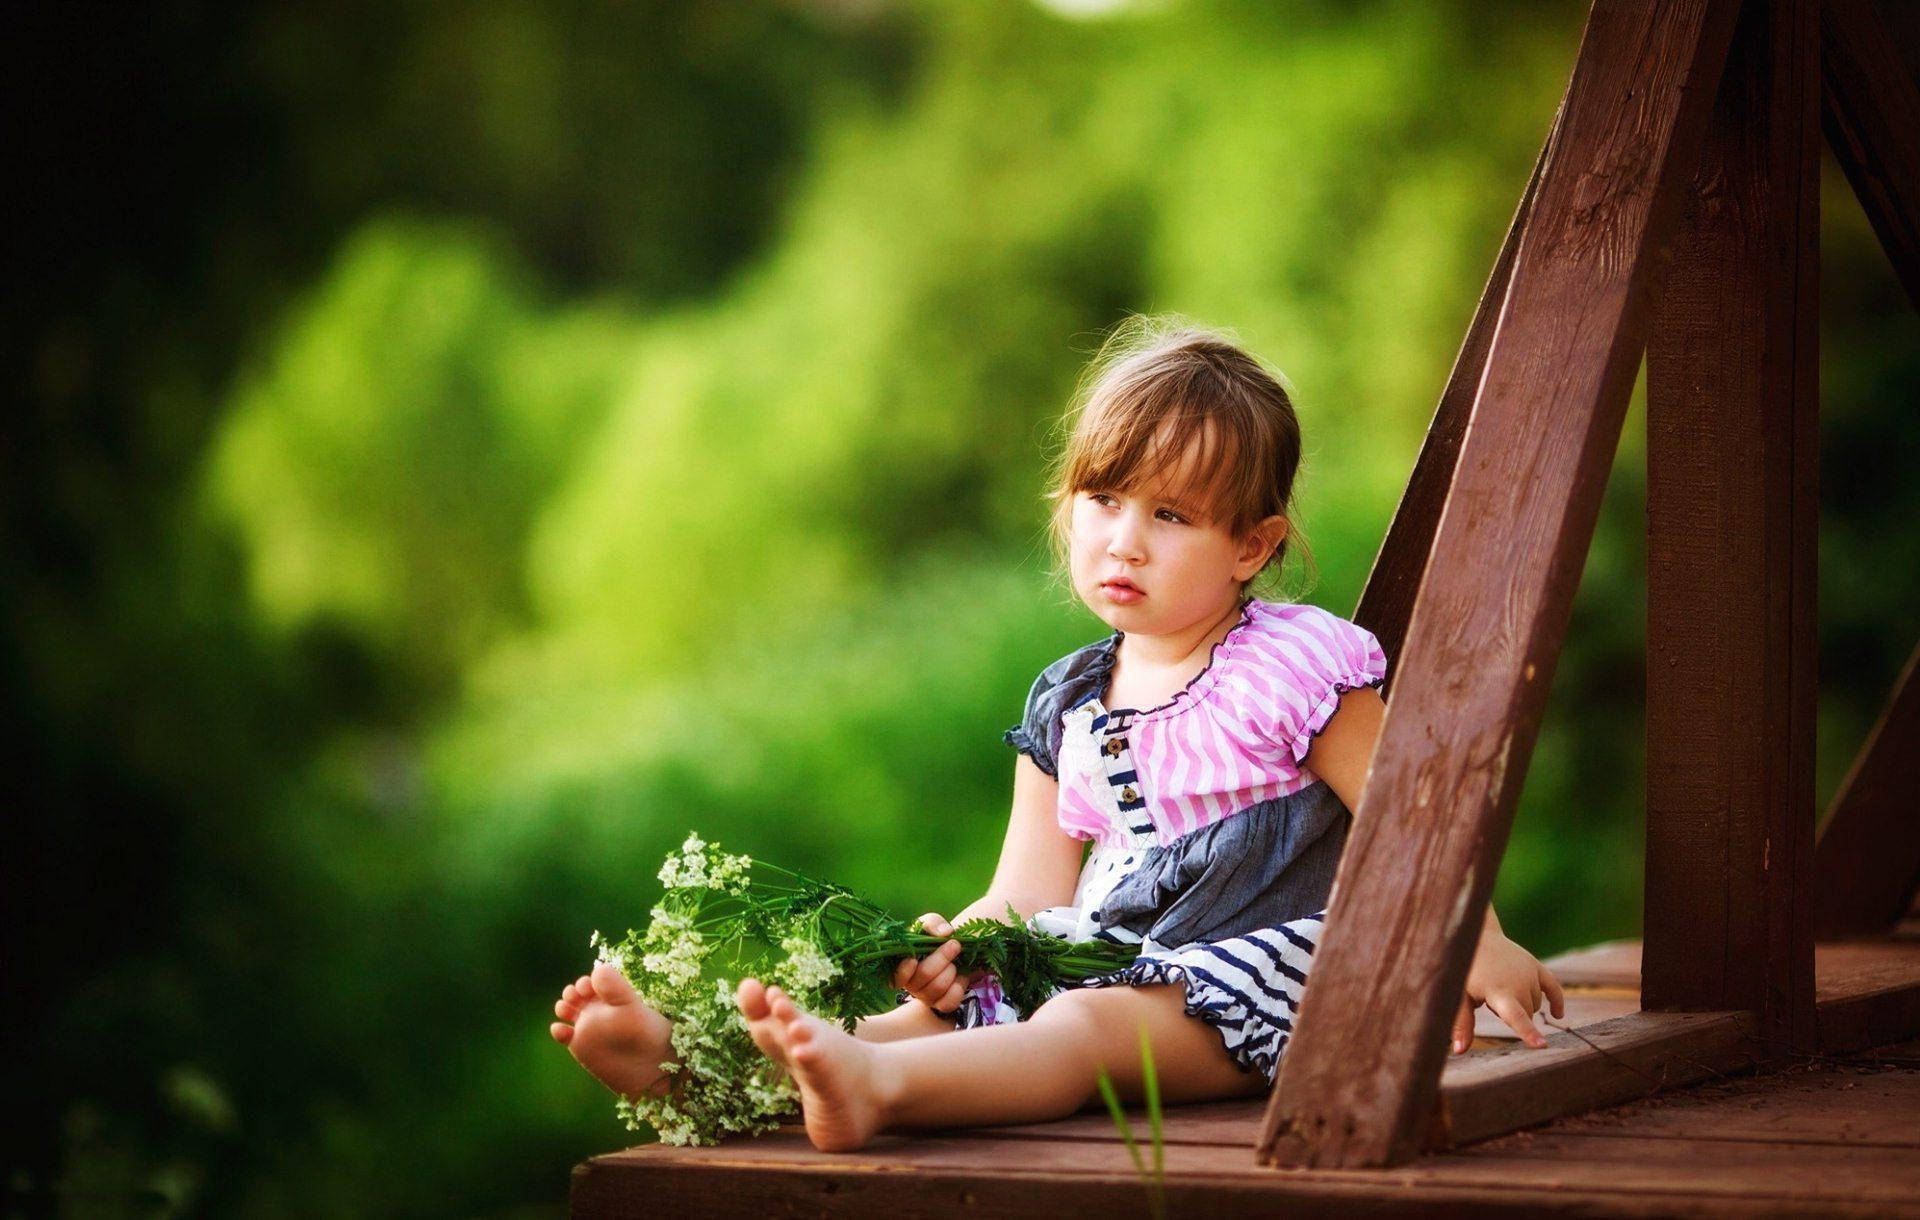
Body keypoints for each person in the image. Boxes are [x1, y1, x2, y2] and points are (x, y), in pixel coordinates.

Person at [550, 315, 1566, 1153]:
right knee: (945, 1008)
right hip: (1108, 957)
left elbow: (1413, 811)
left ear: (1251, 545)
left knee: (1083, 1025)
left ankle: (877, 1091)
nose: (1125, 537)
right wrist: (958, 947)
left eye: (1171, 514)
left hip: (1267, 977)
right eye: (1104, 497)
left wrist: (1477, 940)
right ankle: (713, 1068)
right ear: (1067, 505)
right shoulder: (1071, 699)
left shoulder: (1294, 664)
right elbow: (1028, 894)